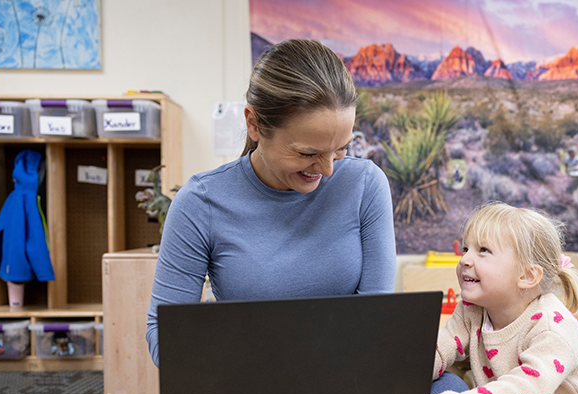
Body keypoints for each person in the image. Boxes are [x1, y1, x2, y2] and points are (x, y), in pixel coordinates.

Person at [145, 39, 396, 367]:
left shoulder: (365, 185)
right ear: (254, 124)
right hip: (248, 384)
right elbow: (164, 336)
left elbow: (375, 321)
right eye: (308, 153)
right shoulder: (200, 203)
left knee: (448, 387)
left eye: (340, 148)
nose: (328, 169)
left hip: (345, 379)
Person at [426, 202, 578, 394]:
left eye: (484, 251)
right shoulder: (472, 309)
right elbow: (438, 350)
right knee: (441, 384)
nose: (464, 260)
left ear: (528, 275)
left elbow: (522, 390)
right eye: (466, 249)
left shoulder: (552, 325)